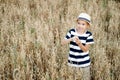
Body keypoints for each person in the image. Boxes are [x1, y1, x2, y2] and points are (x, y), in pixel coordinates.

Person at [61, 13, 94, 80]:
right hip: (72, 62)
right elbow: (62, 43)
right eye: (79, 23)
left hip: (84, 64)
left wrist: (79, 44)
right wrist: (71, 39)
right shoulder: (72, 32)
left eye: (83, 24)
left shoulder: (88, 35)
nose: (80, 26)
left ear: (87, 25)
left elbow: (85, 50)